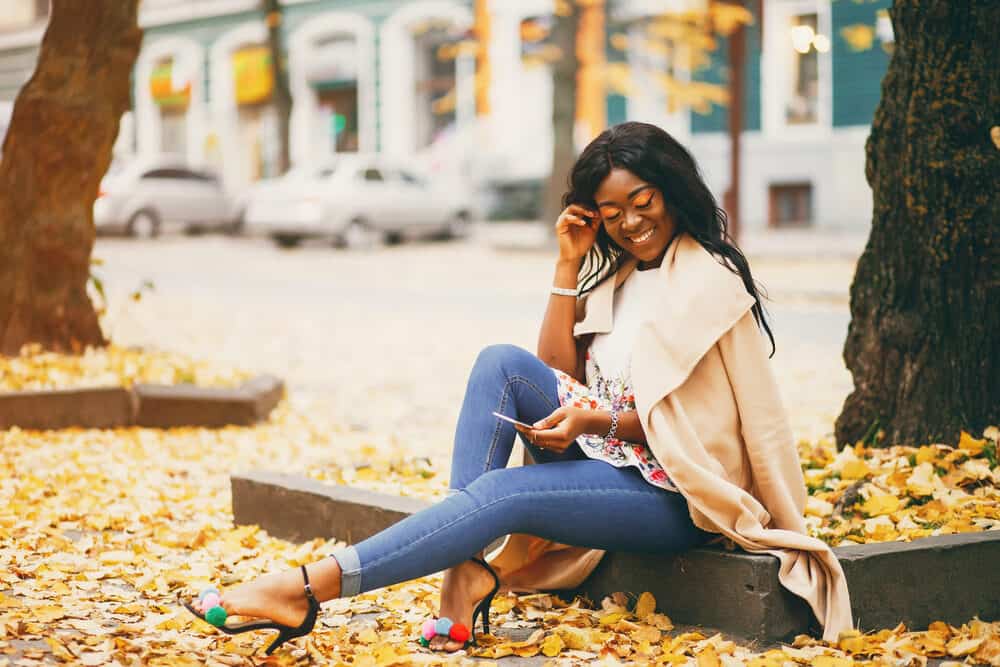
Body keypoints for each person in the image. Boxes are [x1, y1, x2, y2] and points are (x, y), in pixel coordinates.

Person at [183, 121, 852, 655]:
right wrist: (568, 266)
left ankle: (307, 587)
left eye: (642, 202)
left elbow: (708, 431)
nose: (630, 222)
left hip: (672, 496)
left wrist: (597, 424)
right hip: (607, 464)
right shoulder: (618, 279)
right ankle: (460, 577)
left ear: (671, 189)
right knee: (500, 363)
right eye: (611, 211)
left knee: (501, 493)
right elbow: (556, 371)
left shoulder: (711, 284)